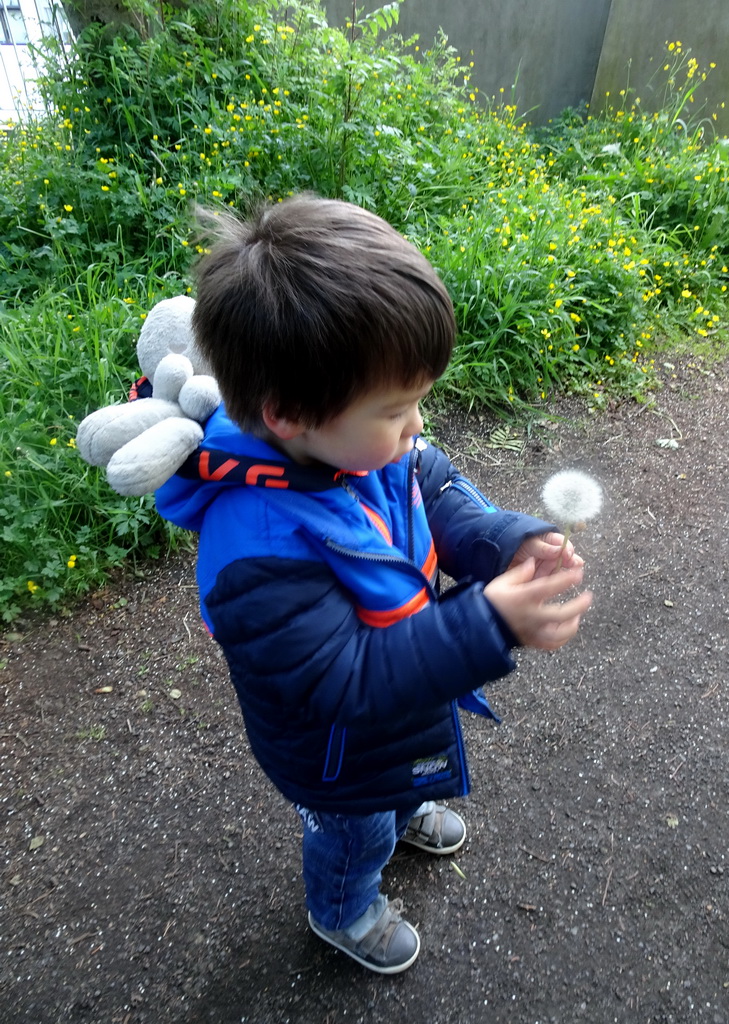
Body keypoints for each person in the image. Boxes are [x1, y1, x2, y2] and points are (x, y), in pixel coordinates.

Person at [155, 195, 592, 974]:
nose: (417, 426)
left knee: (390, 792)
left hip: (387, 726)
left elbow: (437, 489)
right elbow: (349, 680)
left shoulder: (363, 451)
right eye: (396, 409)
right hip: (331, 749)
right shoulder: (255, 555)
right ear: (287, 414)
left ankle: (400, 795)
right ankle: (343, 909)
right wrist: (485, 623)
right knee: (359, 834)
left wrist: (505, 540)